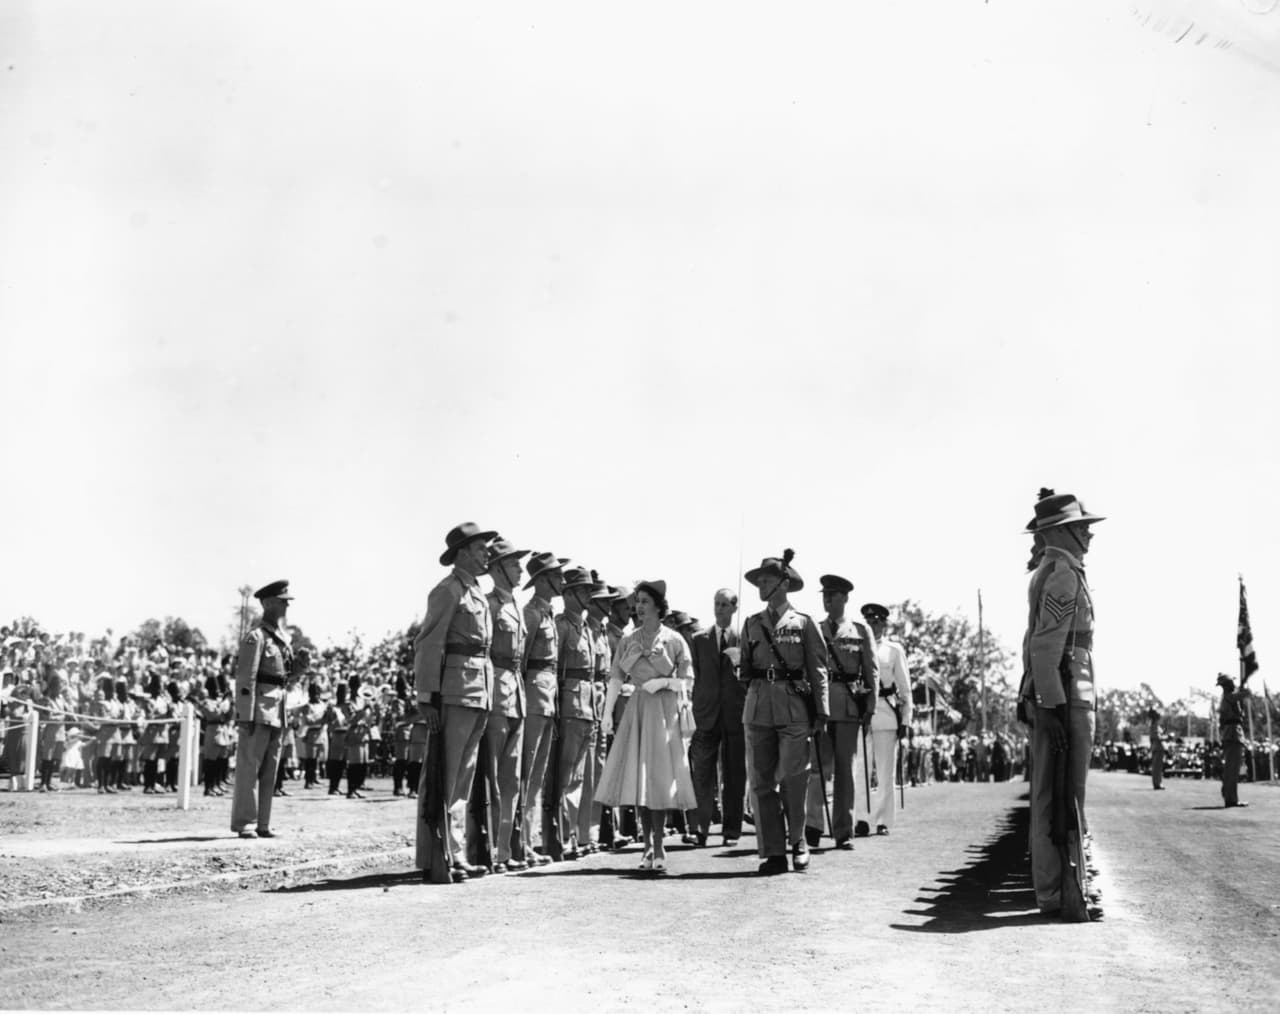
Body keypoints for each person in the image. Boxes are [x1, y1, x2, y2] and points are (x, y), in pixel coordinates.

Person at [1019, 491, 1102, 918]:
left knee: (1054, 795)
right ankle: (1060, 890)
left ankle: (1061, 886)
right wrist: (1050, 707)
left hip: (1060, 692)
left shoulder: (1053, 570)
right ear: (1061, 531)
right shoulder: (1063, 574)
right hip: (1066, 695)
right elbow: (1046, 647)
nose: (1088, 532)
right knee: (1065, 796)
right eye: (1081, 525)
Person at [413, 522, 496, 882]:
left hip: (479, 690)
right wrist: (425, 697)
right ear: (462, 553)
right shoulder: (447, 591)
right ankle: (439, 854)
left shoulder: (475, 591)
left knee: (462, 778)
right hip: (456, 691)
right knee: (446, 777)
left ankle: (456, 853)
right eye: (480, 549)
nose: (487, 555)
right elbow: (429, 644)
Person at [596, 579, 696, 874]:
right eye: (636, 602)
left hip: (665, 710)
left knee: (660, 777)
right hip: (638, 709)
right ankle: (647, 845)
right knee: (639, 777)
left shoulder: (675, 640)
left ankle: (660, 844)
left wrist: (664, 682)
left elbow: (687, 681)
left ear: (658, 606)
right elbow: (616, 677)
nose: (638, 607)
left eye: (644, 602)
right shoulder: (628, 640)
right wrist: (606, 712)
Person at [740, 550, 830, 875]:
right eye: (758, 580)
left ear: (782, 583)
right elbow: (745, 672)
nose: (760, 585)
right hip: (759, 707)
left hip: (794, 708)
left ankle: (799, 841)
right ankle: (773, 851)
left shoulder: (804, 624)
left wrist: (822, 713)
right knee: (761, 781)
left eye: (765, 579)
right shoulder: (752, 623)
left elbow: (817, 669)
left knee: (795, 778)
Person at [231, 580, 309, 840]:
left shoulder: (281, 638)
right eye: (282, 600)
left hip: (277, 708)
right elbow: (246, 679)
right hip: (259, 709)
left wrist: (300, 667)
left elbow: (285, 677)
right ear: (266, 603)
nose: (287, 604)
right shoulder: (256, 637)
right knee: (249, 767)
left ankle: (262, 823)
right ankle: (246, 823)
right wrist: (245, 714)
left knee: (270, 769)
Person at [804, 575, 877, 848]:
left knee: (845, 771)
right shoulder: (814, 628)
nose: (826, 599)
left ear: (845, 598)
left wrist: (869, 709)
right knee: (816, 769)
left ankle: (843, 830)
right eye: (824, 594)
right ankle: (813, 825)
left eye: (832, 595)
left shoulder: (859, 631)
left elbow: (872, 673)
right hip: (820, 707)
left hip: (848, 708)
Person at [484, 537, 530, 873]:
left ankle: (504, 850)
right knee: (492, 777)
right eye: (514, 564)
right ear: (498, 568)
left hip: (517, 694)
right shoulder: (488, 605)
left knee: (511, 778)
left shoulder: (515, 605)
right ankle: (486, 849)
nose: (520, 569)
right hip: (496, 691)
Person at [688, 589, 746, 848]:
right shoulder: (699, 639)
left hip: (735, 714)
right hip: (706, 714)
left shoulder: (744, 639)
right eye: (716, 604)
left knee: (734, 773)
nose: (719, 609)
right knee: (702, 773)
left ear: (734, 608)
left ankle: (731, 829)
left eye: (724, 605)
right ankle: (700, 828)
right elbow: (695, 676)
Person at [518, 551, 565, 866]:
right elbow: (520, 662)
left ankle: (528, 840)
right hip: (533, 698)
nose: (562, 580)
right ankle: (518, 841)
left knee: (537, 775)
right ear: (544, 580)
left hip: (548, 699)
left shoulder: (547, 613)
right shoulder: (532, 613)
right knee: (526, 773)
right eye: (557, 575)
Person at [553, 565, 600, 861]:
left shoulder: (585, 629)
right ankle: (563, 836)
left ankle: (576, 834)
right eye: (582, 591)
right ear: (568, 593)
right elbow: (554, 671)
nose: (588, 596)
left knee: (580, 776)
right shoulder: (562, 626)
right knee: (566, 774)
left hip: (586, 707)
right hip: (569, 705)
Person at [858, 601, 913, 835]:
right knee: (860, 770)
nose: (872, 625)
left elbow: (905, 687)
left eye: (876, 621)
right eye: (868, 621)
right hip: (861, 713)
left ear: (884, 624)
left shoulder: (893, 650)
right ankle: (861, 818)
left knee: (885, 771)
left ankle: (883, 821)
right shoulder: (856, 647)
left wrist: (906, 720)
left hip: (886, 713)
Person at [1216, 673, 1252, 807]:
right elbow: (1246, 694)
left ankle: (1230, 795)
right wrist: (1245, 687)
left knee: (1232, 768)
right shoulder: (1229, 697)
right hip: (1233, 734)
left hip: (1232, 733)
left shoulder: (1228, 697)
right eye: (1231, 683)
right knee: (1232, 768)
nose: (1233, 685)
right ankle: (1231, 798)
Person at [1147, 707, 1165, 791]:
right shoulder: (1154, 725)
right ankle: (1157, 783)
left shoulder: (1155, 725)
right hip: (1158, 747)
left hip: (1157, 747)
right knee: (1157, 767)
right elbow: (1156, 737)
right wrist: (1167, 737)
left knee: (1158, 767)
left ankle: (1158, 782)